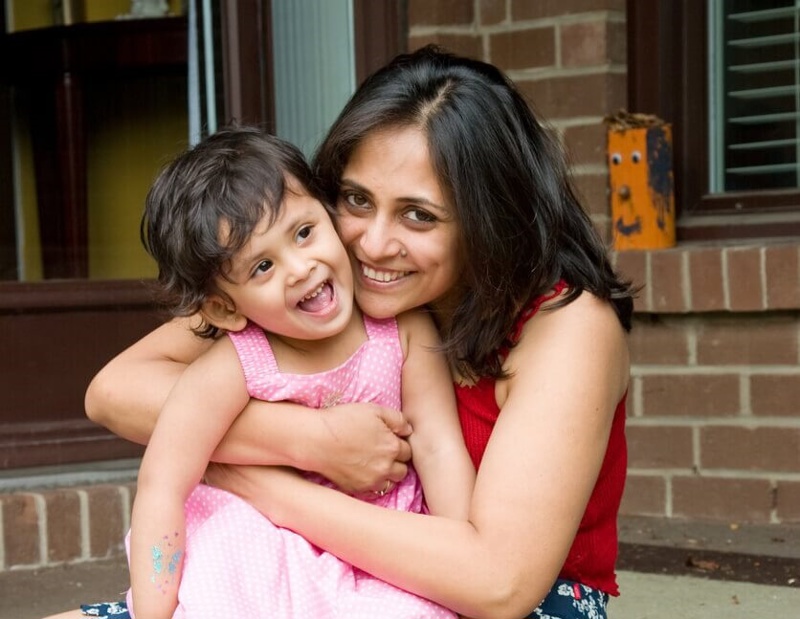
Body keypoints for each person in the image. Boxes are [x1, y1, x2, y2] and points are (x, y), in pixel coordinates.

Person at [61, 45, 635, 619]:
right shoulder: (313, 285)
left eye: (419, 215)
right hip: (304, 572)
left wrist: (263, 484)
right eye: (357, 199)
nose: (373, 243)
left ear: (491, 218)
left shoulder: (569, 328)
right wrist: (311, 438)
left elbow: (498, 584)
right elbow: (115, 393)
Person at [111, 125, 474, 619]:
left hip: (383, 545)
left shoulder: (401, 329)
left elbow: (436, 443)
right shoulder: (235, 366)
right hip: (270, 545)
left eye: (304, 233)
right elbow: (162, 484)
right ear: (222, 310)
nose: (300, 267)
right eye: (262, 267)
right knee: (223, 567)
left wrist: (462, 549)